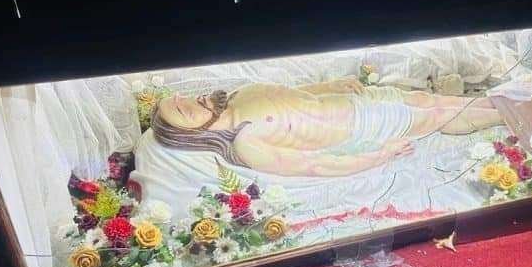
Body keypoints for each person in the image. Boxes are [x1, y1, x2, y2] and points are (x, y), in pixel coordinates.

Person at [151, 77, 503, 177]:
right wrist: (381, 155)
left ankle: (503, 101)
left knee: (429, 100)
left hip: (357, 99)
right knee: (438, 114)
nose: (186, 100)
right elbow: (316, 165)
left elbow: (294, 94)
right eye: (181, 111)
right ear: (189, 134)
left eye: (179, 99)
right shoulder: (246, 141)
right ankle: (507, 112)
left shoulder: (239, 95)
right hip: (363, 125)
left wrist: (329, 85)